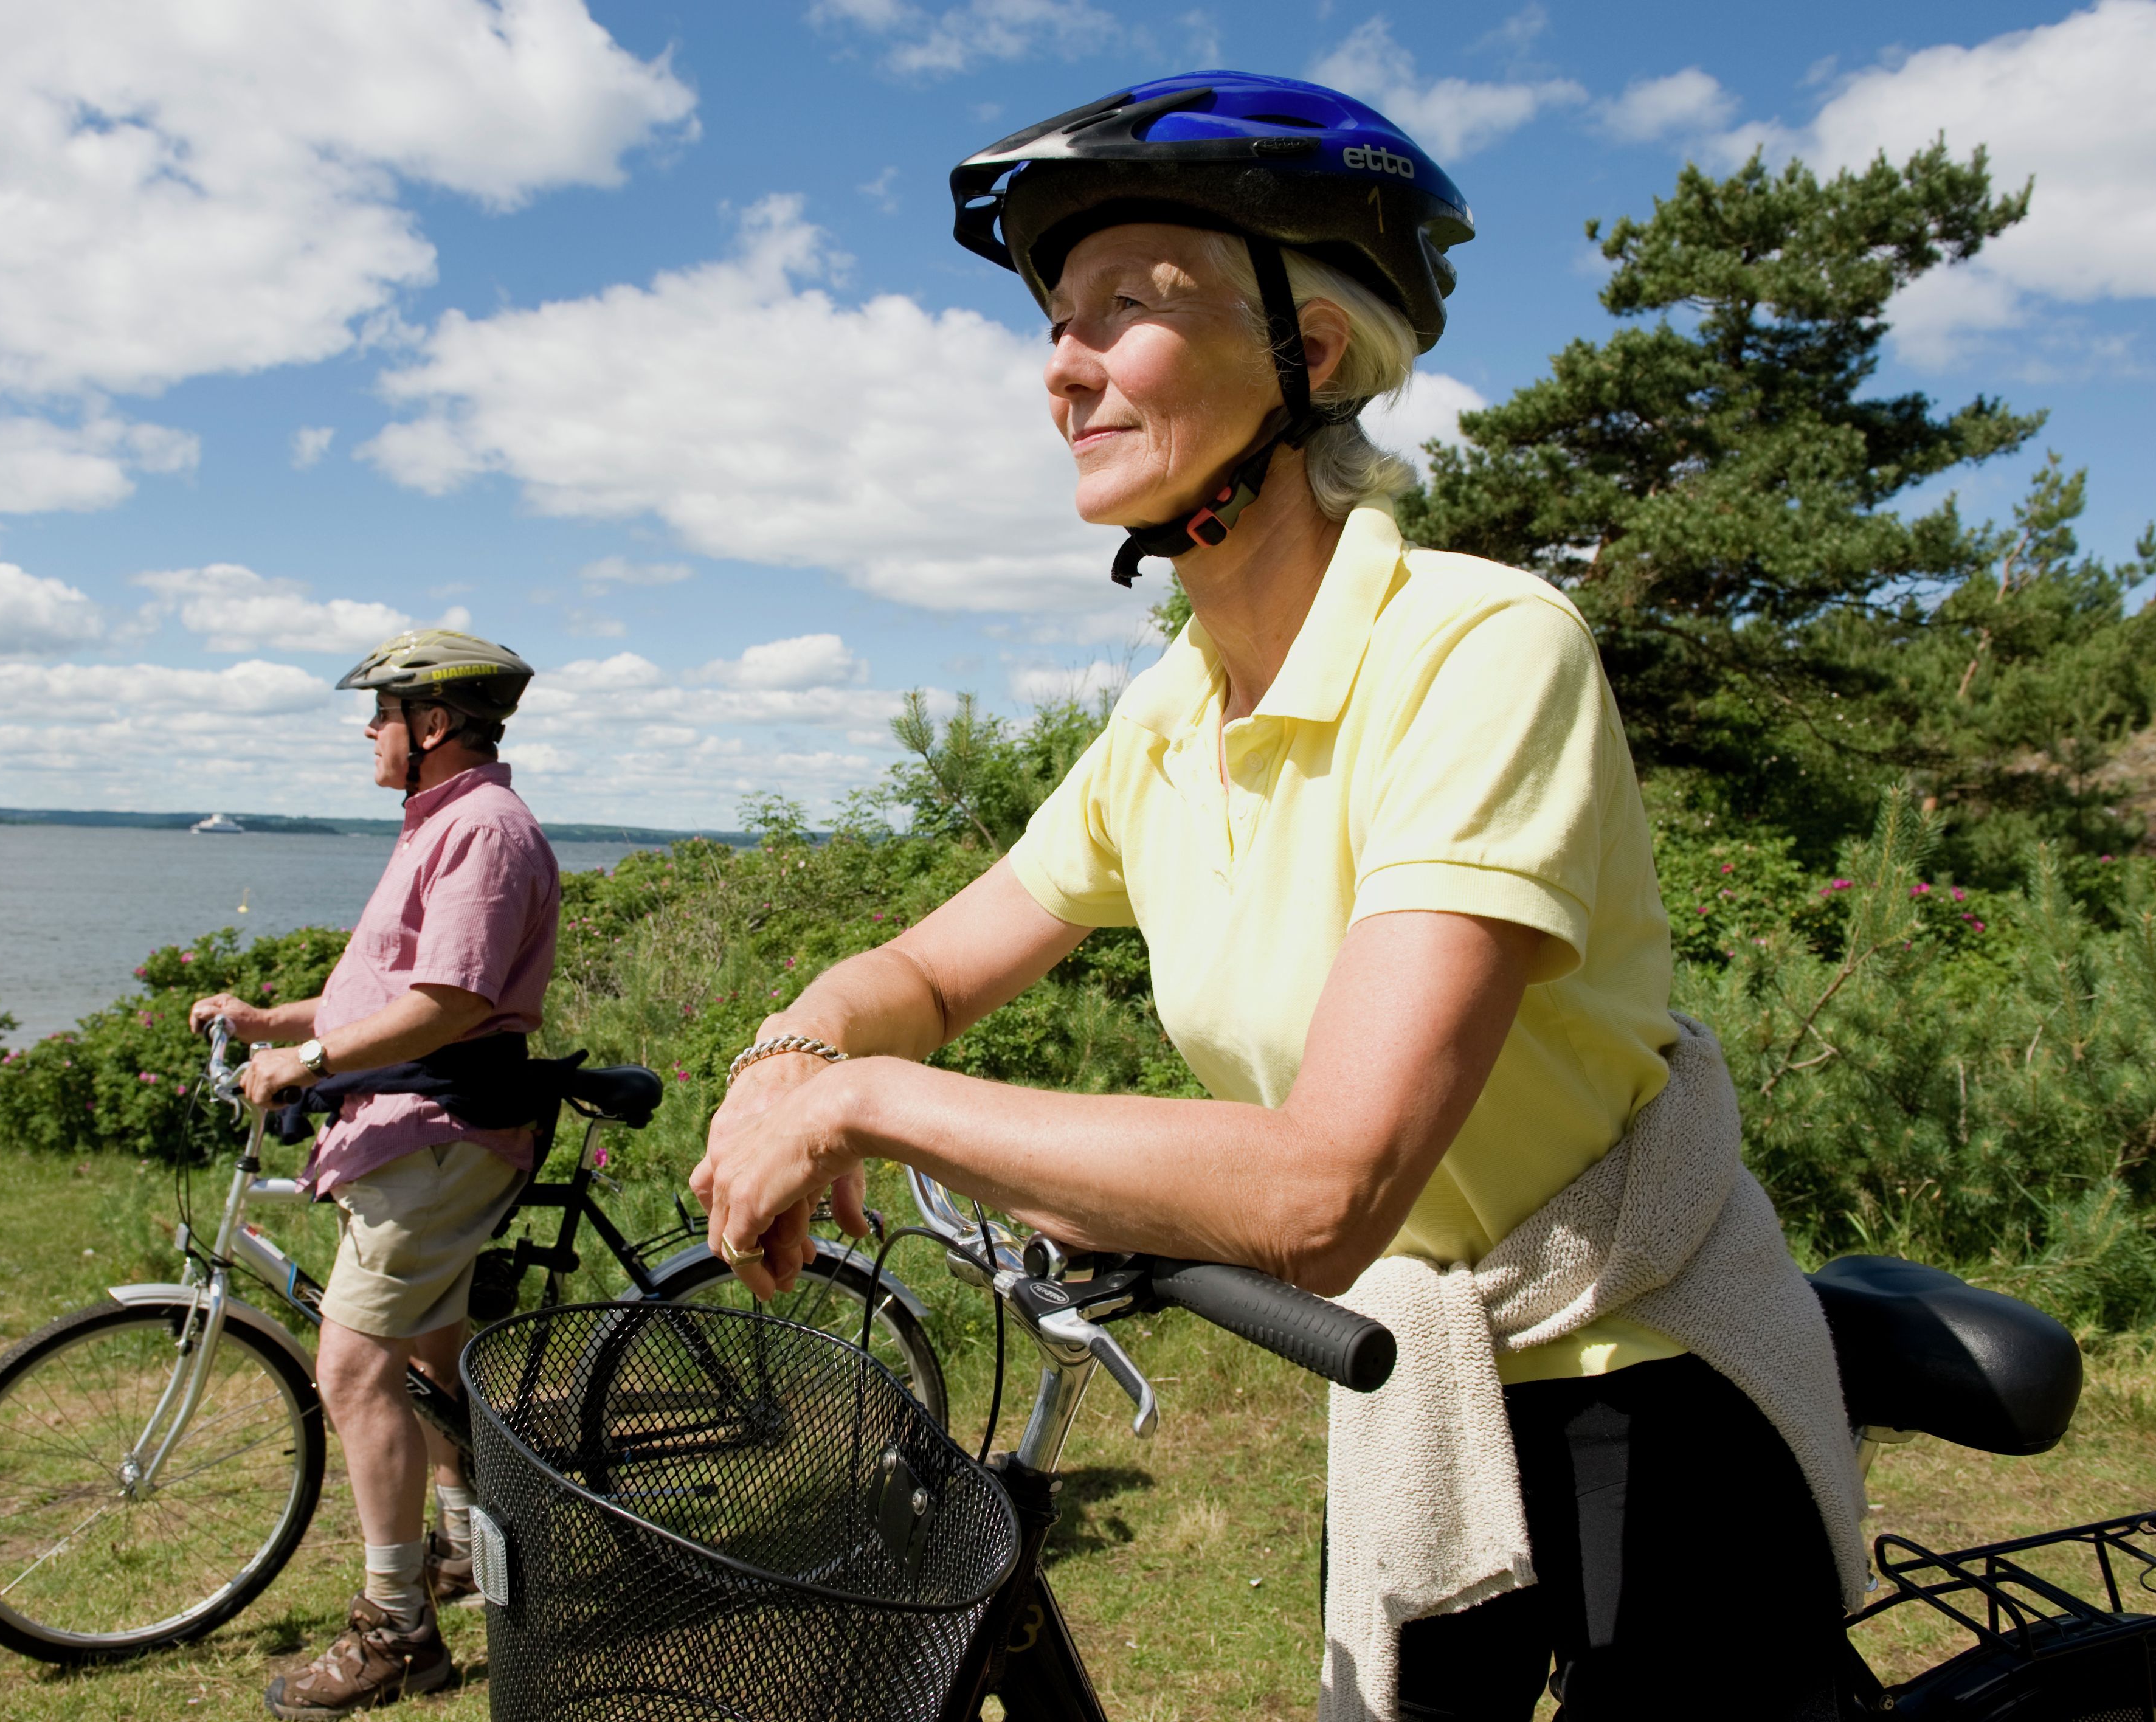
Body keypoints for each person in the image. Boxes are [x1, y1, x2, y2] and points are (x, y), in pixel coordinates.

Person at [696, 73, 1859, 1721]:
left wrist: (871, 1106)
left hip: (1641, 1387)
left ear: (1306, 354)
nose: (1063, 364)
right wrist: (791, 1060)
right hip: (1411, 1380)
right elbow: (925, 969)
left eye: (1128, 308)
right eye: (1055, 321)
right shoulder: (1166, 722)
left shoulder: (1475, 649)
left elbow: (1328, 1189)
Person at [188, 628, 556, 1720]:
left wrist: (303, 1059)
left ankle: (399, 1634)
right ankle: (455, 1549)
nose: (368, 731)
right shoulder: (439, 824)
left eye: (381, 713)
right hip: (409, 1122)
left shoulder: (483, 831)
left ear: (432, 724)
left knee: (352, 1371)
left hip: (438, 1132)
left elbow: (447, 1005)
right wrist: (275, 1019)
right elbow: (391, 990)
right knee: (429, 1361)